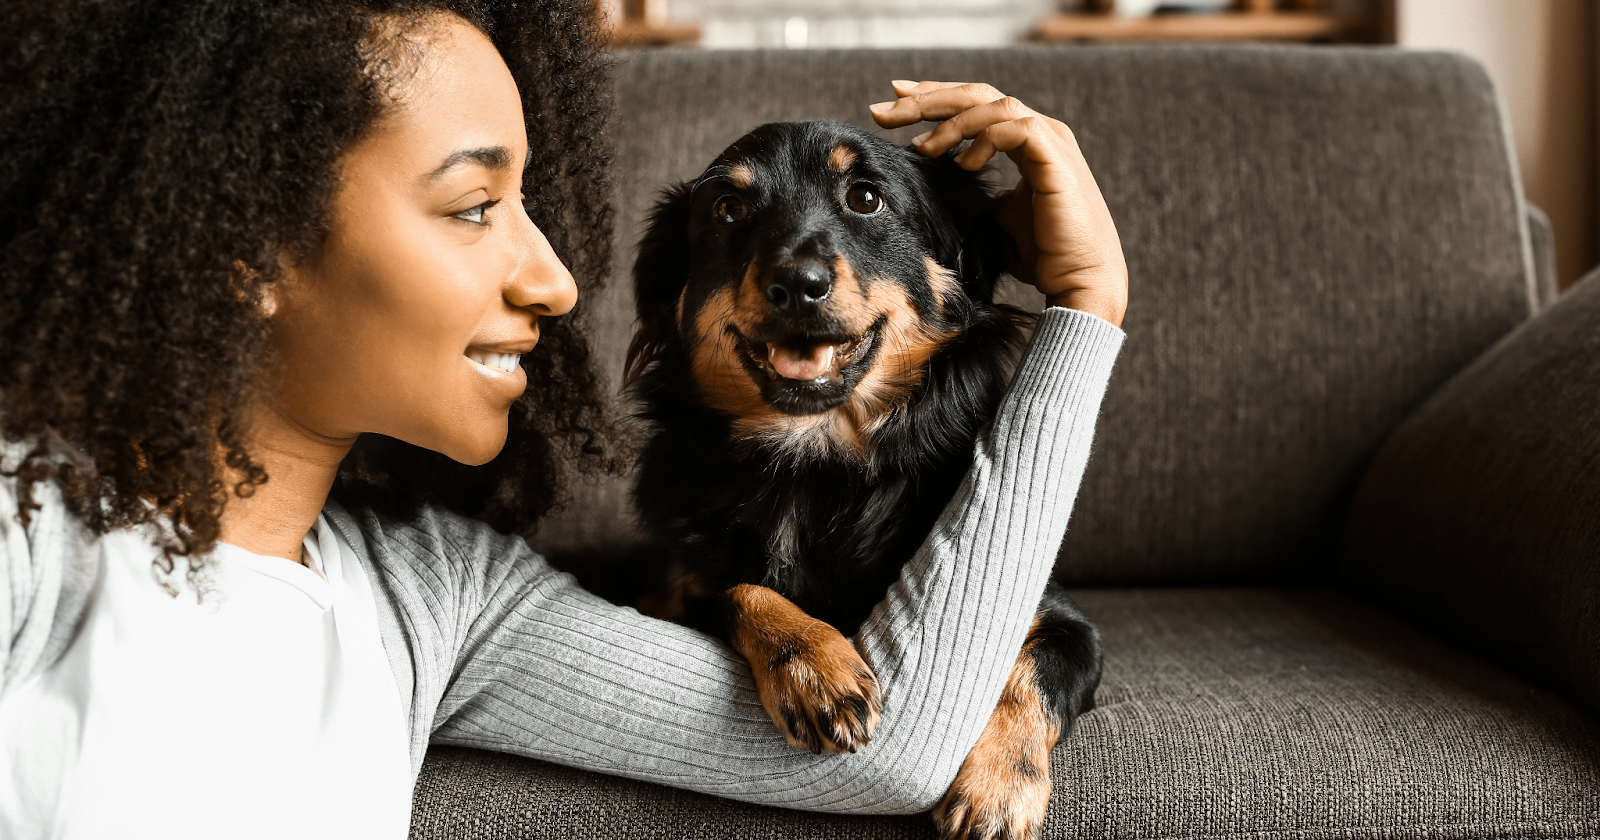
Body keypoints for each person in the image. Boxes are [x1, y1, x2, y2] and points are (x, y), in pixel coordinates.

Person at [0, 1, 1128, 837]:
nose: (554, 280)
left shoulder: (439, 600)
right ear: (245, 239)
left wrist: (1086, 312)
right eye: (475, 206)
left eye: (531, 206)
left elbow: (894, 751)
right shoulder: (28, 528)